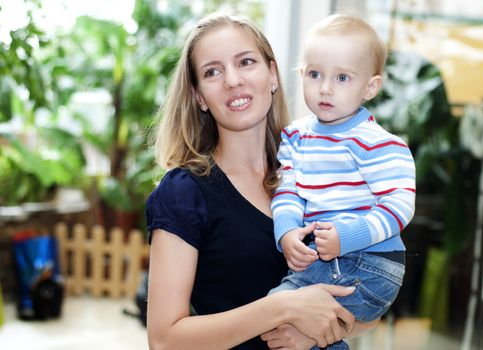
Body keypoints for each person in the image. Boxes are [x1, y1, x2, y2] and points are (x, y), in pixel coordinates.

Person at [145, 12, 377, 350]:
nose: (233, 80)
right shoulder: (184, 193)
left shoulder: (318, 172)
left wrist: (314, 330)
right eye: (213, 71)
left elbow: (372, 301)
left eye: (246, 62)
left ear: (272, 74)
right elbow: (164, 340)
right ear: (199, 97)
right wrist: (283, 307)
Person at [269, 13, 416, 350]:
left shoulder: (378, 142)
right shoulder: (296, 137)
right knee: (303, 332)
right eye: (315, 74)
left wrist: (346, 238)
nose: (325, 87)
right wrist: (288, 230)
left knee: (277, 310)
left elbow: (399, 206)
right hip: (330, 259)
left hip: (370, 262)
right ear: (300, 74)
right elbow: (288, 189)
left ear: (371, 87)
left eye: (342, 78)